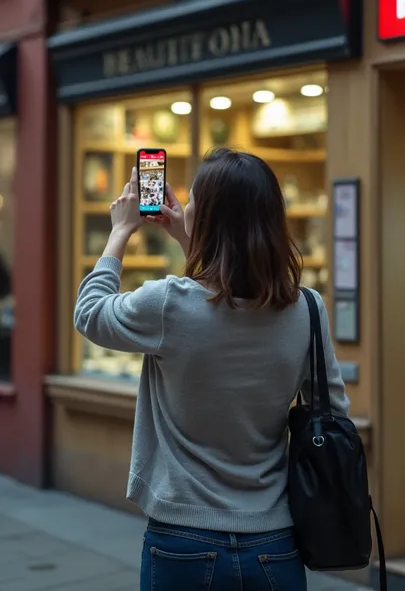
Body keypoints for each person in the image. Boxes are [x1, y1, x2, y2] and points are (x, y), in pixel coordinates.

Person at [74, 148, 349, 591]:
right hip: (274, 541)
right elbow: (332, 409)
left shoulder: (167, 304)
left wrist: (120, 232)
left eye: (194, 198)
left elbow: (89, 313)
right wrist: (188, 240)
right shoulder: (308, 310)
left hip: (182, 539)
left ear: (207, 217)